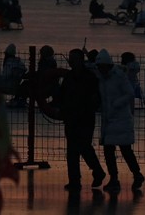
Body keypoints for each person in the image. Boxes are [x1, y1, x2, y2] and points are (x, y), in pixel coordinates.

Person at [94, 49, 144, 193]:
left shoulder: (119, 76)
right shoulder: (101, 77)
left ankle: (136, 174)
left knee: (125, 150)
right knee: (109, 151)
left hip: (121, 118)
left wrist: (115, 104)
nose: (100, 69)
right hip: (108, 119)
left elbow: (129, 93)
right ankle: (115, 178)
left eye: (101, 66)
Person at [58, 48, 105, 192]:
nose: (70, 61)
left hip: (85, 118)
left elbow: (96, 98)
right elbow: (62, 95)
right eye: (70, 59)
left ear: (80, 60)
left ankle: (97, 171)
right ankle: (74, 181)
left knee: (84, 147)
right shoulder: (69, 77)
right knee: (72, 150)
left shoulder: (90, 77)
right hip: (71, 118)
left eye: (73, 59)